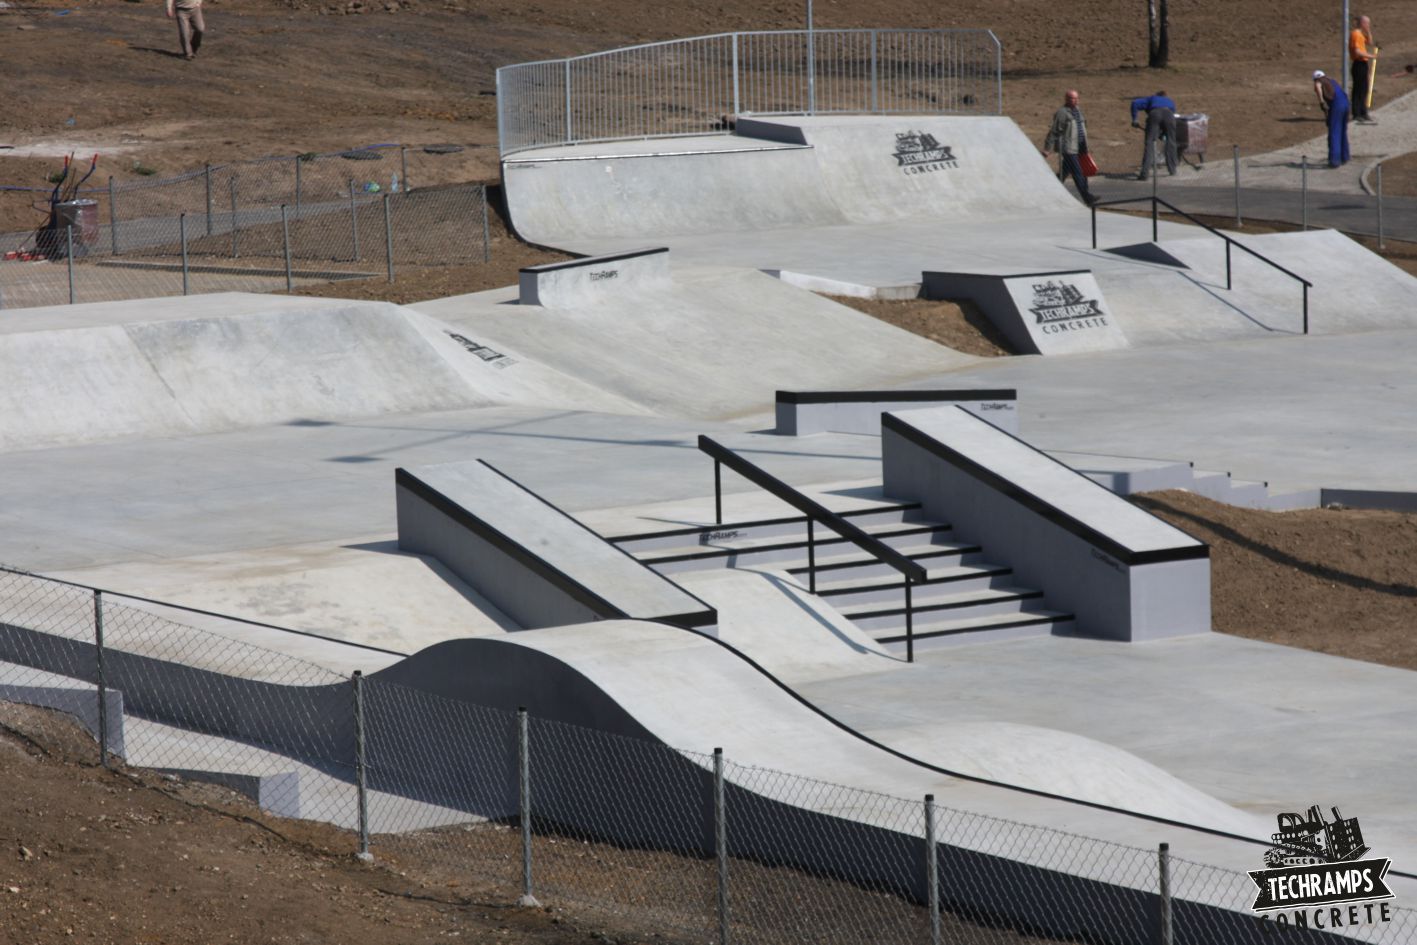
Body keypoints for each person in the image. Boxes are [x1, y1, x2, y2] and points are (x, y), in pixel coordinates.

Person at [1042, 90, 1098, 206]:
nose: (1076, 100)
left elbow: (1081, 128)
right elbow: (1054, 131)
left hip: (1081, 147)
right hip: (1069, 148)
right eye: (1073, 98)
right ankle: (1087, 198)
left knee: (1065, 173)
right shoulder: (1062, 113)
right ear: (1066, 99)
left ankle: (1048, 191)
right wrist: (1047, 148)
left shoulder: (1078, 111)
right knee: (1078, 173)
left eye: (1077, 98)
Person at [1129, 90, 1178, 180]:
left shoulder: (1152, 98)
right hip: (1170, 116)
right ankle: (1172, 170)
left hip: (1155, 114)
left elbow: (1135, 103)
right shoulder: (1170, 101)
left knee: (1150, 143)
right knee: (1171, 142)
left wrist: (1134, 119)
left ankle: (1144, 173)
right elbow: (1170, 118)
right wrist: (1163, 134)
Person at [1312, 70, 1350, 168]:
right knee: (1342, 131)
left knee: (1334, 133)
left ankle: (1334, 161)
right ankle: (1344, 157)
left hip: (1337, 105)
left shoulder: (1319, 82)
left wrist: (1321, 102)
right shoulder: (1331, 80)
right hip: (1345, 103)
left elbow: (1318, 87)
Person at [1350, 15, 1378, 122]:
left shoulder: (1361, 34)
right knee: (1358, 89)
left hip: (1363, 64)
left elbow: (1370, 43)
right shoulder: (1356, 34)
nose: (1368, 25)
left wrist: (1368, 31)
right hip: (1358, 63)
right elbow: (1357, 51)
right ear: (1362, 23)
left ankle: (1363, 111)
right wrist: (1371, 56)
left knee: (1365, 88)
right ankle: (1356, 113)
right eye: (1367, 24)